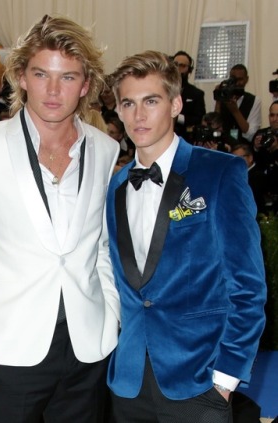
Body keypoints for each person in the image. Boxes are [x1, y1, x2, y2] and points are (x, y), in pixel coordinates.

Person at [0, 14, 121, 423]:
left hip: (88, 348)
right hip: (10, 349)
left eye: (68, 77)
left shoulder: (105, 149)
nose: (53, 91)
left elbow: (100, 248)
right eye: (42, 74)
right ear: (22, 77)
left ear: (85, 84)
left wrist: (110, 319)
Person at [106, 50, 267, 422]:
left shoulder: (220, 172)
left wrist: (225, 378)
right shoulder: (115, 186)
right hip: (129, 384)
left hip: (199, 381)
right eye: (128, 103)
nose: (138, 115)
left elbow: (247, 286)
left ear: (176, 103)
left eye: (151, 101)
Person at [215, 64, 261, 143]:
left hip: (243, 146)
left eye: (240, 79)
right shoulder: (222, 96)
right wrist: (219, 100)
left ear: (246, 79)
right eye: (234, 80)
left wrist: (235, 111)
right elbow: (214, 124)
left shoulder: (254, 100)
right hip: (223, 143)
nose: (237, 83)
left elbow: (251, 134)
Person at [172, 50, 206, 141]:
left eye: (182, 66)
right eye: (175, 64)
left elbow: (199, 119)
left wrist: (177, 117)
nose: (178, 69)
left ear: (189, 69)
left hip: (185, 138)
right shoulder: (162, 89)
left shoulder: (197, 94)